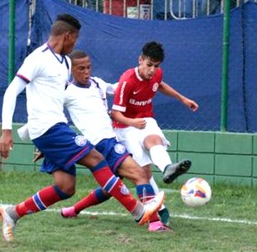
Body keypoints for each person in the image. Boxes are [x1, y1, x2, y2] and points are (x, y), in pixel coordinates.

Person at [0, 14, 164, 243]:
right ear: (67, 35)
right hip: (48, 129)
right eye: (74, 39)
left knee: (66, 188)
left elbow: (53, 100)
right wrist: (7, 131)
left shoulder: (65, 63)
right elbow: (11, 91)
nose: (75, 44)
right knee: (96, 158)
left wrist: (47, 145)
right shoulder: (38, 59)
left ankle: (11, 213)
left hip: (53, 131)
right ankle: (138, 212)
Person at [47, 50, 169, 232]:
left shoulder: (97, 83)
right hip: (102, 143)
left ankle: (73, 210)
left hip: (111, 139)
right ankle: (155, 223)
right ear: (71, 70)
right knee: (140, 175)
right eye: (81, 69)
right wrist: (44, 140)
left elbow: (118, 87)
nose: (86, 72)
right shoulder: (67, 92)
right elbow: (50, 114)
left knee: (110, 187)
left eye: (88, 67)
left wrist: (141, 80)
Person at [111, 41, 199, 205]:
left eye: (156, 66)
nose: (152, 70)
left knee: (154, 140)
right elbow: (115, 114)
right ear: (140, 60)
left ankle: (167, 168)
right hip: (125, 128)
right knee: (143, 173)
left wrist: (182, 99)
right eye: (149, 65)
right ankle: (158, 208)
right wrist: (132, 122)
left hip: (145, 120)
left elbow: (159, 85)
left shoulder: (157, 74)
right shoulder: (127, 81)